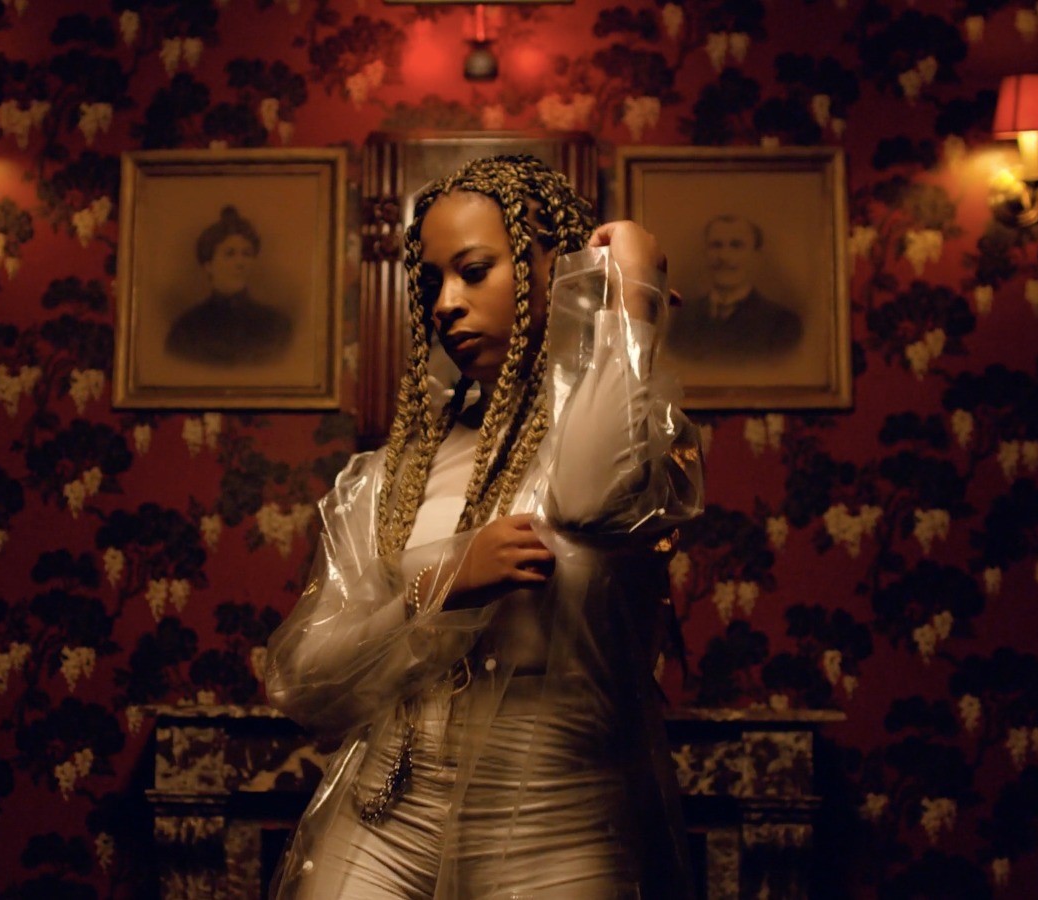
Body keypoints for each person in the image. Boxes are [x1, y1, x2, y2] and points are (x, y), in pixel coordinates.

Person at [263, 154, 705, 899]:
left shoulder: (636, 434)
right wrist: (444, 581)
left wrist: (630, 296)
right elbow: (305, 680)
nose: (445, 304)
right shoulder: (390, 475)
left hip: (553, 830)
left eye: (473, 271)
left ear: (556, 268)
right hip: (384, 820)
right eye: (431, 282)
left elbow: (590, 498)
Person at [664, 212, 802, 362]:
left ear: (756, 256)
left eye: (736, 246)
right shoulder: (683, 318)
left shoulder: (782, 324)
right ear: (705, 253)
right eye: (716, 245)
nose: (724, 256)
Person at [165, 204, 292, 365]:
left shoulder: (276, 325)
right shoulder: (186, 329)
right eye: (229, 254)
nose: (240, 263)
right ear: (208, 265)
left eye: (246, 254)